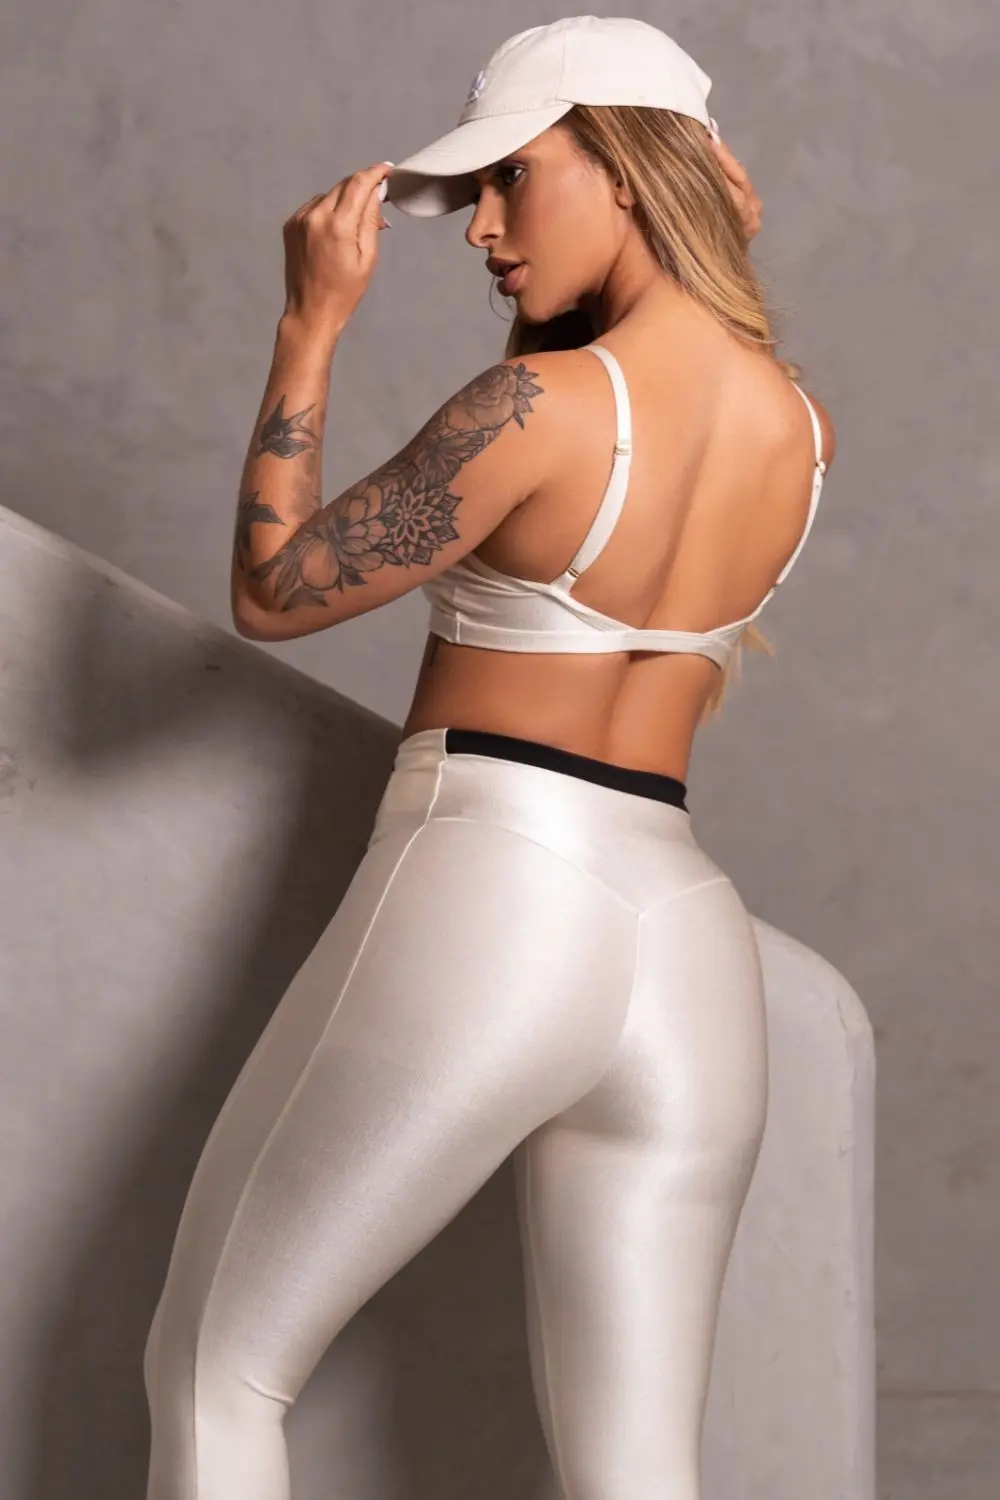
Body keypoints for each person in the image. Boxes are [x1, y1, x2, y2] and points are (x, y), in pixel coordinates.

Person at [144, 16, 835, 1500]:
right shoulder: (798, 426)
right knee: (640, 1472)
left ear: (629, 168)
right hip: (685, 948)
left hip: (500, 891)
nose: (484, 229)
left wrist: (308, 329)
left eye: (514, 177)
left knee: (217, 1373)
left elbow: (273, 591)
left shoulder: (537, 410)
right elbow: (672, 376)